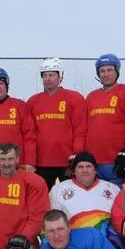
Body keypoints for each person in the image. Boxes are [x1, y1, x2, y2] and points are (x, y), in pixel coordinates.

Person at [83, 54, 125, 186]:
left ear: (117, 71)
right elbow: (86, 127)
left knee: (119, 202)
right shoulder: (92, 96)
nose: (105, 74)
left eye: (109, 70)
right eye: (102, 71)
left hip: (117, 160)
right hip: (94, 161)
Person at [27, 57, 87, 189]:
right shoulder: (33, 102)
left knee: (70, 197)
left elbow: (80, 129)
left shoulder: (74, 98)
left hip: (67, 163)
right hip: (42, 163)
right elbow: (29, 134)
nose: (48, 78)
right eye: (45, 75)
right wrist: (30, 161)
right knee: (43, 200)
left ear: (60, 76)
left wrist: (76, 156)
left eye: (52, 75)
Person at [49, 151, 121, 240]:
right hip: (73, 244)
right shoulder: (58, 190)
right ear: (74, 171)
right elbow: (52, 221)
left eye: (89, 166)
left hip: (107, 243)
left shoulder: (113, 189)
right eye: (80, 167)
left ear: (95, 171)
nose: (85, 170)